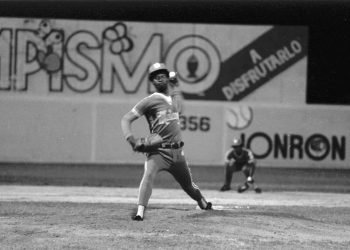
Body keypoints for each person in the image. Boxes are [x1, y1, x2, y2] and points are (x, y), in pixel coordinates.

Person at [121, 62, 212, 221]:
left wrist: (176, 86)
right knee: (148, 176)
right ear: (152, 81)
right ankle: (140, 212)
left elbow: (179, 108)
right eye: (156, 77)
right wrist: (130, 139)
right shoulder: (150, 101)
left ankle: (202, 202)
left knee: (189, 186)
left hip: (177, 154)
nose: (160, 78)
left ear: (166, 78)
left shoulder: (172, 99)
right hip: (158, 152)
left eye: (162, 75)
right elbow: (126, 119)